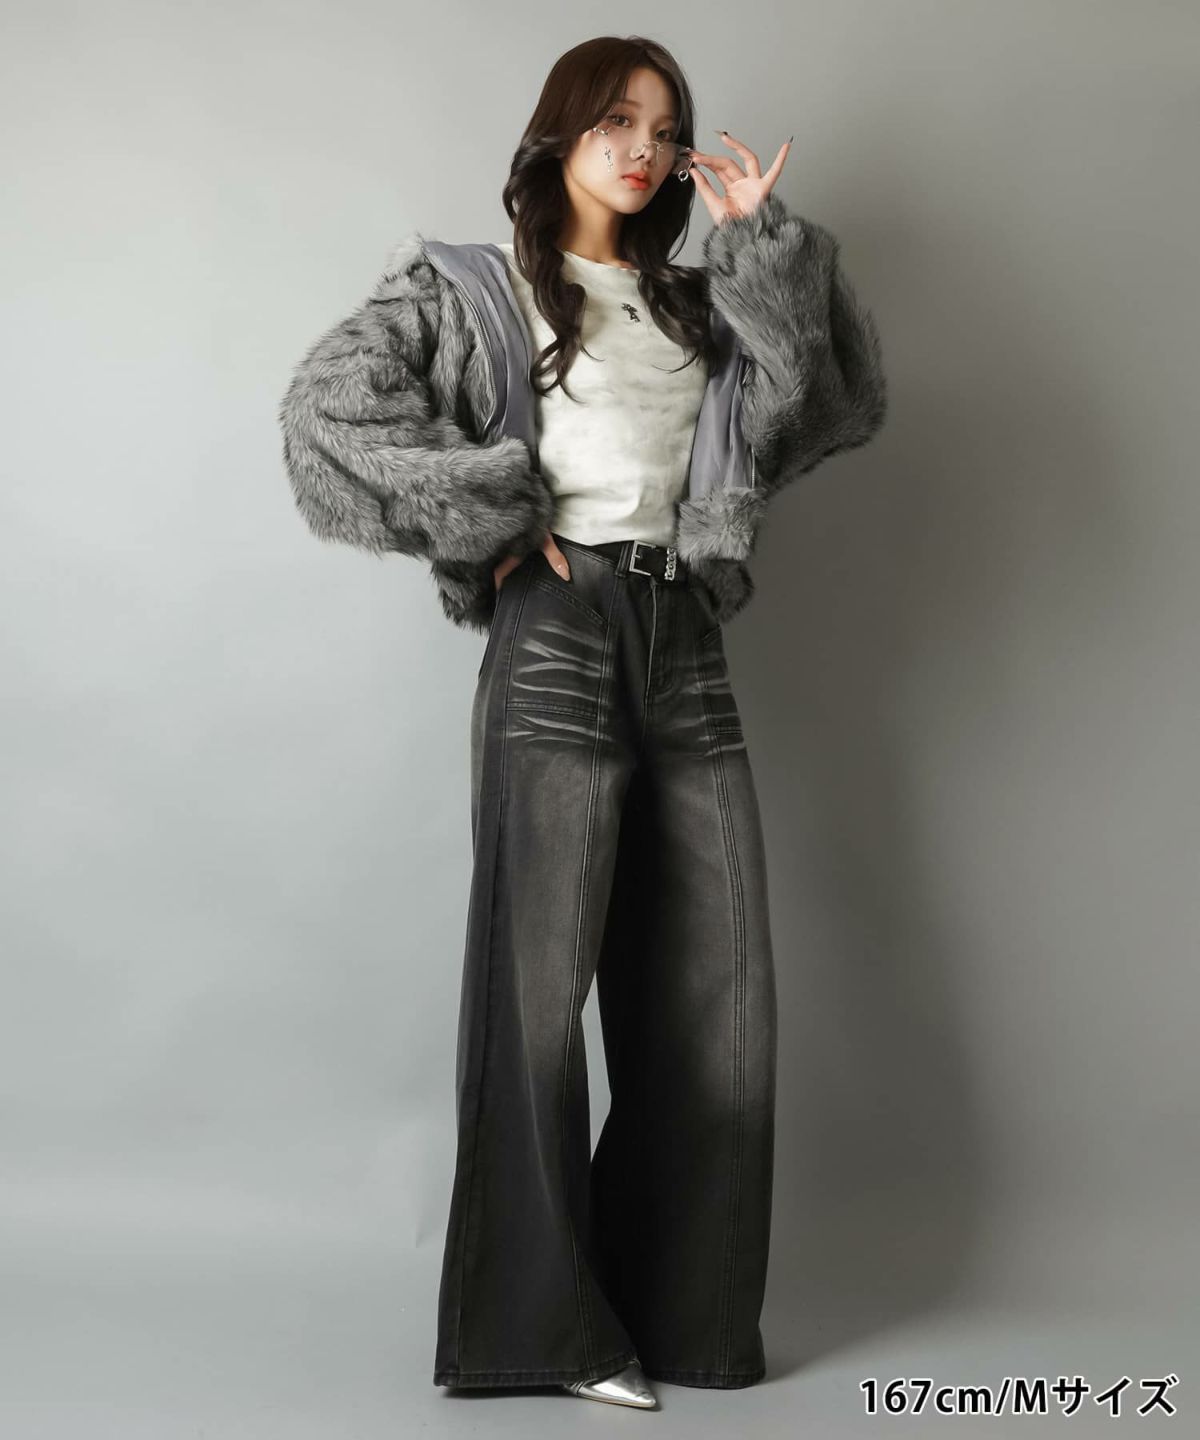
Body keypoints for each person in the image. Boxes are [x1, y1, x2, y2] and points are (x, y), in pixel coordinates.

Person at [277, 34, 887, 1410]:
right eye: (617, 119)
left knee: (720, 998)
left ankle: (682, 1315)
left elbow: (828, 405)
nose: (644, 148)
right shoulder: (474, 288)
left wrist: (762, 250)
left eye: (665, 128)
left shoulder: (694, 306)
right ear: (559, 133)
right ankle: (541, 1330)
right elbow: (328, 413)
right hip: (556, 631)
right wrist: (491, 517)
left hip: (685, 639)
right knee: (539, 995)